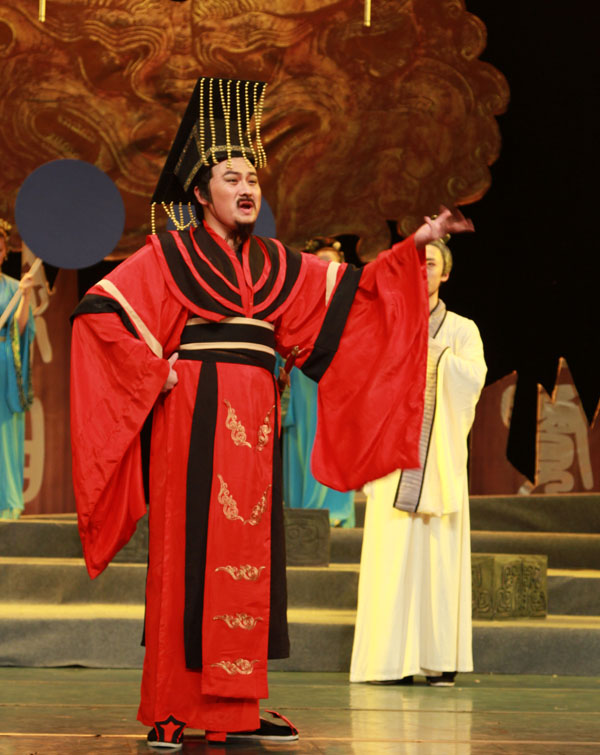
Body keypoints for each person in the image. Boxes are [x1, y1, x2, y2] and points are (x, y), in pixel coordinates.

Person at [70, 76, 474, 749]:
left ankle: (235, 705)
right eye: (230, 177)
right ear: (202, 194)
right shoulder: (170, 256)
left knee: (249, 559)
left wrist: (414, 247)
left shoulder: (277, 264)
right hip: (193, 421)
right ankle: (171, 703)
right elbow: (101, 316)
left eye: (252, 177)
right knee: (189, 558)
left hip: (256, 431)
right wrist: (157, 371)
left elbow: (357, 300)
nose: (246, 188)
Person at [349, 237, 487, 687]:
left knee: (438, 558)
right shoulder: (385, 323)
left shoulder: (462, 330)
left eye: (430, 264)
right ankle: (388, 661)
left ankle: (437, 659)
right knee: (391, 557)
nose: (422, 271)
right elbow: (364, 384)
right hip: (392, 459)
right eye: (415, 263)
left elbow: (473, 380)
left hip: (439, 459)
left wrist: (434, 357)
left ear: (445, 273)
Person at [280, 237, 356, 527]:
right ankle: (302, 513)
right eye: (320, 263)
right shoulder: (295, 301)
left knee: (337, 442)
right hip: (303, 381)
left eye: (332, 264)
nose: (326, 269)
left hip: (338, 380)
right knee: (303, 443)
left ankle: (335, 511)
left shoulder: (351, 303)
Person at [0, 221, 35, 520]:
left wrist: (24, 296)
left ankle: (7, 501)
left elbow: (20, 330)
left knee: (4, 431)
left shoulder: (13, 287)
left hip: (4, 364)